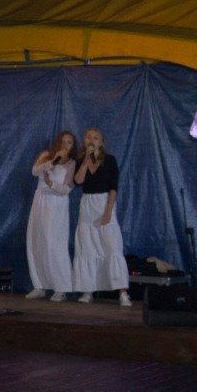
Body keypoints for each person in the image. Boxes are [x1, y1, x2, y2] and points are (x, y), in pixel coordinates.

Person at [72, 128, 131, 306]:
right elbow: (78, 181)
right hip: (87, 204)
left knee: (112, 246)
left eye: (95, 137)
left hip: (104, 203)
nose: (91, 140)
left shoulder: (110, 160)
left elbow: (114, 188)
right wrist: (85, 161)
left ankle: (122, 293)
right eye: (88, 137)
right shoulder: (81, 160)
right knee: (87, 247)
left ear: (102, 142)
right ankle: (88, 290)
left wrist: (107, 212)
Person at [26, 131, 78, 302]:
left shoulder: (72, 164)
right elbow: (35, 171)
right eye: (63, 141)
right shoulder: (47, 155)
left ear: (73, 146)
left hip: (57, 205)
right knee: (36, 242)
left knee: (54, 244)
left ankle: (61, 288)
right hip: (40, 201)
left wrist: (51, 184)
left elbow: (66, 189)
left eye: (69, 142)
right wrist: (53, 161)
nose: (65, 145)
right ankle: (39, 286)